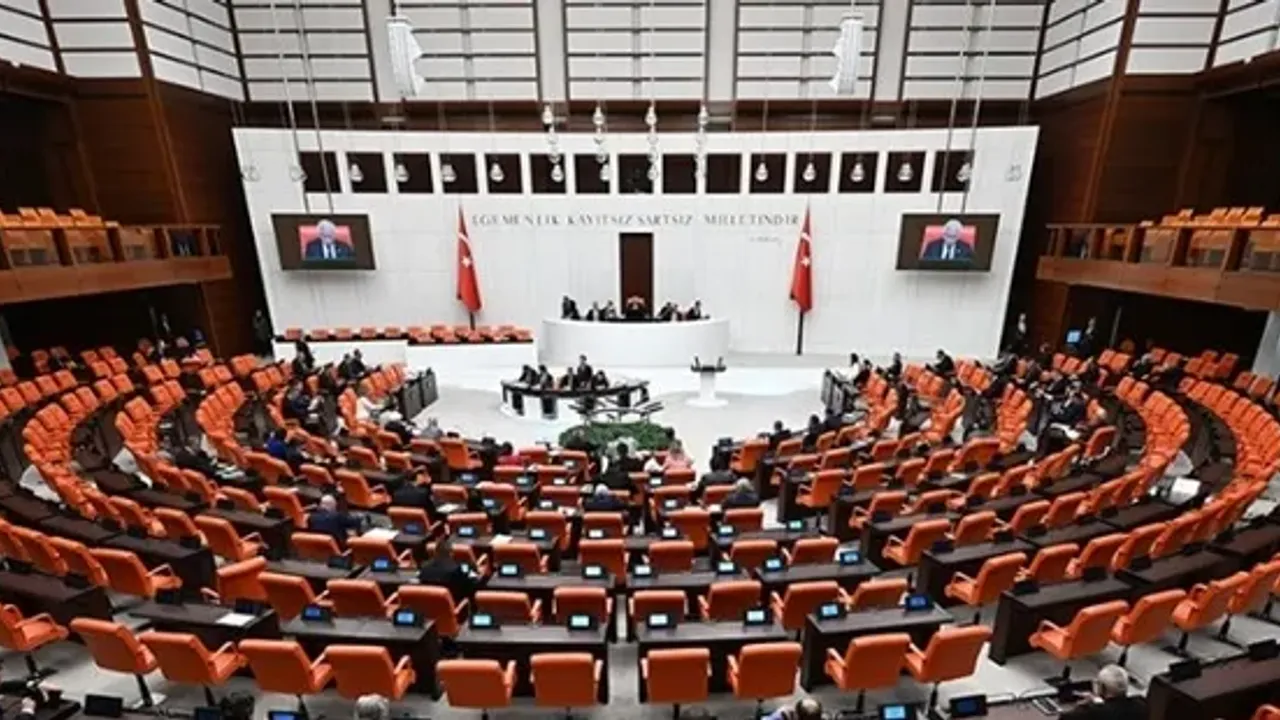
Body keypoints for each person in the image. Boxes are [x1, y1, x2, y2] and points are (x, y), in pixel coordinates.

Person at [1060, 665, 1145, 720]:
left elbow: (1066, 718)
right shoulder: (1140, 705)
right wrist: (1101, 703)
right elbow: (1115, 708)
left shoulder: (1091, 712)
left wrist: (1083, 705)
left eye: (1098, 683)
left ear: (1103, 687)